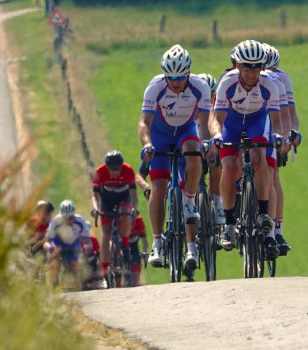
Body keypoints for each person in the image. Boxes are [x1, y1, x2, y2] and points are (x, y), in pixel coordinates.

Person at [208, 39, 290, 258]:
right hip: (232, 124)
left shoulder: (269, 85)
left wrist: (279, 136)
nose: (251, 72)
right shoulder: (227, 83)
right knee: (229, 165)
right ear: (237, 66)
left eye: (256, 67)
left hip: (256, 121)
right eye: (246, 67)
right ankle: (229, 223)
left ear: (262, 67)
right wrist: (216, 136)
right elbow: (217, 119)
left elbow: (277, 120)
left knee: (259, 157)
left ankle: (264, 213)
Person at [139, 45, 213, 271]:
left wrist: (207, 143)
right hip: (160, 137)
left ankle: (189, 201)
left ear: (188, 73)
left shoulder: (200, 87)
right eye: (171, 77)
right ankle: (158, 242)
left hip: (185, 132)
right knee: (158, 188)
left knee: (194, 148)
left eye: (180, 76)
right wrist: (148, 144)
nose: (176, 81)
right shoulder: (155, 87)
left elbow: (205, 123)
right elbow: (144, 123)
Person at [261, 44, 301, 255]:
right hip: (253, 122)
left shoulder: (282, 79)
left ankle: (277, 230)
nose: (271, 76)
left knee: (274, 175)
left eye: (274, 71)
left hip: (274, 126)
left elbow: (289, 114)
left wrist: (287, 138)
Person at [91, 150, 138, 285]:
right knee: (106, 234)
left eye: (117, 169)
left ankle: (125, 244)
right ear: (107, 167)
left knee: (125, 214)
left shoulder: (128, 170)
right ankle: (105, 271)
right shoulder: (100, 172)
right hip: (107, 201)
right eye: (112, 169)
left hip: (124, 198)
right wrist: (95, 209)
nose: (115, 172)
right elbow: (95, 196)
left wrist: (133, 208)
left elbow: (133, 195)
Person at [194, 72, 226, 231]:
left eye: (212, 94)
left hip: (209, 151)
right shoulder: (188, 109)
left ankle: (218, 202)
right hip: (193, 152)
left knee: (216, 163)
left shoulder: (216, 110)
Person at [44, 200, 93, 289]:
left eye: (71, 218)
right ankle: (54, 284)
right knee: (54, 257)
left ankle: (77, 286)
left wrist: (87, 247)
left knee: (75, 267)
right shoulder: (55, 222)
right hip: (58, 244)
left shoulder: (80, 220)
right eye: (65, 218)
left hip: (74, 244)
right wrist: (50, 248)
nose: (69, 221)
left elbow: (87, 240)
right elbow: (47, 242)